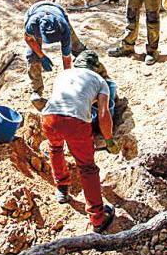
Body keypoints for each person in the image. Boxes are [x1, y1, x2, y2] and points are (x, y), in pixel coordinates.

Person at [42, 50, 117, 232]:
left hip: (49, 118)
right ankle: (98, 218)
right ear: (95, 67)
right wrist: (109, 141)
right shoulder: (100, 81)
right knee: (87, 168)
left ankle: (62, 189)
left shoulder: (64, 74)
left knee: (56, 148)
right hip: (75, 123)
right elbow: (103, 114)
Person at [24, 0, 86, 110]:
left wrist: (67, 79)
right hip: (35, 9)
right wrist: (42, 56)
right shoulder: (32, 24)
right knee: (33, 57)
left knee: (76, 46)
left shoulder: (64, 27)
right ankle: (36, 90)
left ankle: (89, 66)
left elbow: (66, 57)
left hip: (57, 11)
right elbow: (28, 39)